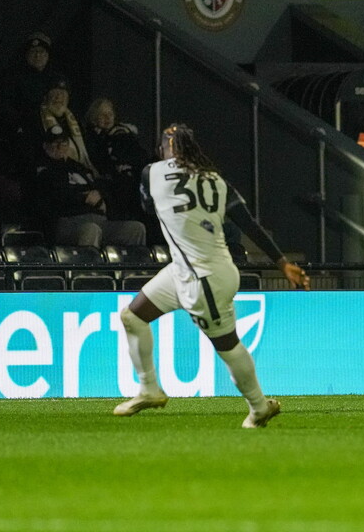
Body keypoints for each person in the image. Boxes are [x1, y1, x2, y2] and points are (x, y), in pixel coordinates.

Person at [113, 123, 310, 428]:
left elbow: (147, 206)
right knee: (132, 316)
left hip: (203, 279)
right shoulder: (217, 181)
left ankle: (259, 407)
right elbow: (249, 224)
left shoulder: (151, 172)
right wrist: (281, 262)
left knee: (228, 345)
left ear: (166, 148)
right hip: (187, 269)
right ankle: (149, 388)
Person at [35, 125, 146, 248]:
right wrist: (84, 197)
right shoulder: (44, 170)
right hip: (68, 221)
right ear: (46, 146)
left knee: (136, 229)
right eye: (55, 143)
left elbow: (103, 186)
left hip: (98, 218)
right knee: (91, 229)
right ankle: (90, 266)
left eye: (63, 143)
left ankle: (133, 267)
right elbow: (58, 194)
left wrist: (100, 197)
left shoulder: (79, 167)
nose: (60, 147)